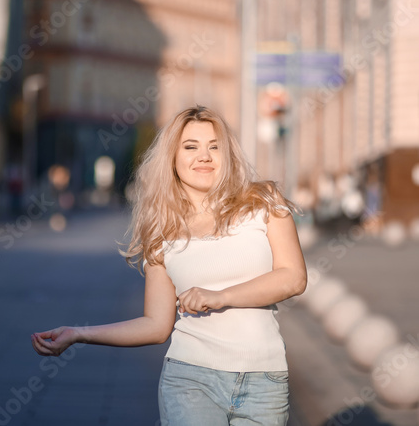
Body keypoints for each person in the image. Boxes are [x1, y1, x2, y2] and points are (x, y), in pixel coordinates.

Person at [31, 105, 307, 425]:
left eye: (214, 147)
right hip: (189, 380)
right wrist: (78, 333)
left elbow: (293, 278)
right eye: (190, 147)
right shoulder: (163, 230)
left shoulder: (264, 202)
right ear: (173, 159)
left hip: (265, 379)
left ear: (228, 155)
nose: (203, 156)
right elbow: (156, 324)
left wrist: (220, 296)